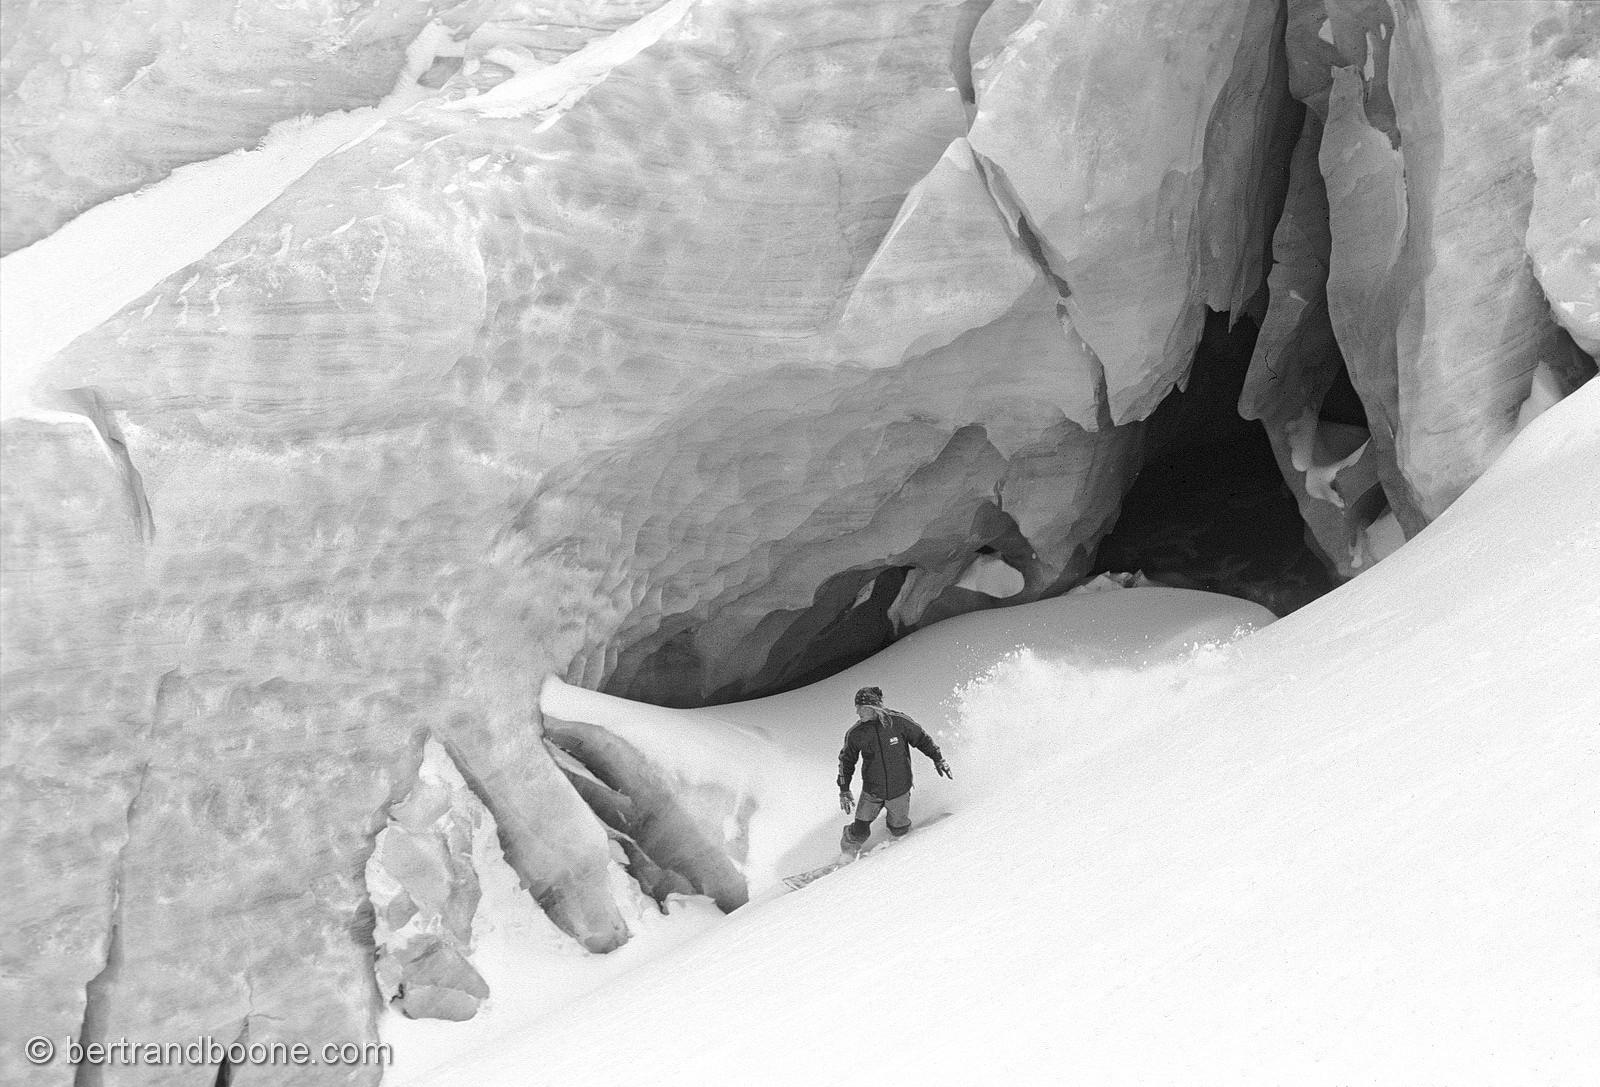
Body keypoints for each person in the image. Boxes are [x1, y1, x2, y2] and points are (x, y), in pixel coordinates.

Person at [837, 685, 950, 857]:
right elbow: (846, 762)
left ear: (872, 707)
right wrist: (844, 789)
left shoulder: (898, 722)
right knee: (860, 831)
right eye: (857, 708)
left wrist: (938, 758)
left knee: (900, 830)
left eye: (861, 708)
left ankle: (894, 837)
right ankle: (846, 854)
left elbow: (922, 739)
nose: (857, 712)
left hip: (899, 788)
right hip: (872, 791)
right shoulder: (856, 733)